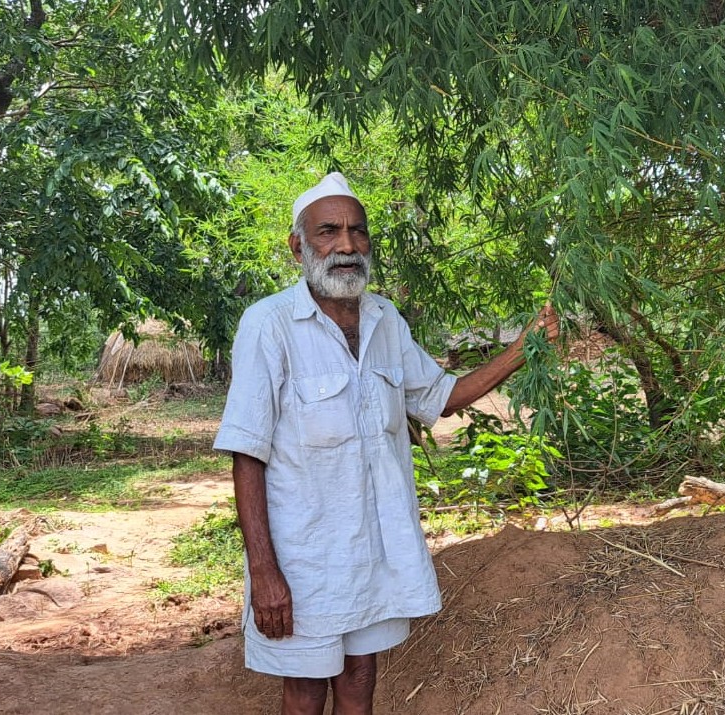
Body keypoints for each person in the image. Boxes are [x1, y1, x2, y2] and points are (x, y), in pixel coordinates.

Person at [214, 172, 559, 715]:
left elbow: (439, 397)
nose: (346, 246)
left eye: (357, 231)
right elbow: (246, 451)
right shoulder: (268, 325)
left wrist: (522, 349)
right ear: (298, 245)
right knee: (304, 688)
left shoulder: (384, 319)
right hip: (304, 556)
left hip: (372, 550)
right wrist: (264, 571)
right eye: (329, 231)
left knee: (360, 675)